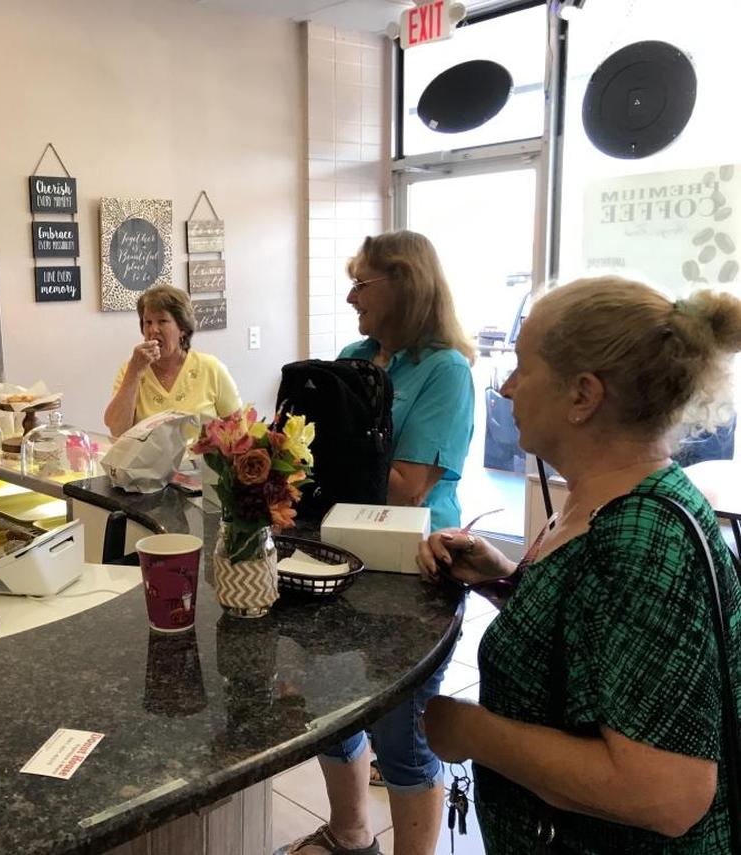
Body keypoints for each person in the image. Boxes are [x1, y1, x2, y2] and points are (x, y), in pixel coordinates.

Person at [418, 276, 741, 853]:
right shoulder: (603, 504)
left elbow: (666, 793)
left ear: (583, 396)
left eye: (523, 368)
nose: (509, 388)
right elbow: (595, 650)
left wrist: (473, 732)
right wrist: (507, 578)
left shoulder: (641, 540)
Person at [282, 230, 475, 855]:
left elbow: (407, 491)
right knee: (326, 703)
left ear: (407, 285)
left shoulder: (446, 372)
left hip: (411, 570)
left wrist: (331, 452)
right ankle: (350, 833)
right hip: (339, 554)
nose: (350, 295)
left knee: (402, 735)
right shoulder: (354, 356)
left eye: (363, 282)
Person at [104, 284, 241, 436]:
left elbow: (238, 428)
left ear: (182, 328)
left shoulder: (211, 368)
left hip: (200, 459)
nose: (153, 330)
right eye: (147, 322)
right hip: (148, 460)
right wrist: (134, 373)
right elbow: (117, 431)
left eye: (162, 321)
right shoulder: (129, 370)